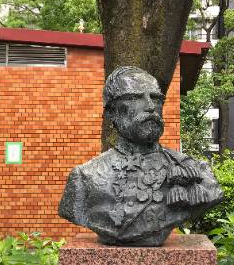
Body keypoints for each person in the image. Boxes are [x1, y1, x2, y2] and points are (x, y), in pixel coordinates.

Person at [58, 66, 222, 246]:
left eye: (156, 98)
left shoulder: (196, 173)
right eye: (134, 98)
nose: (151, 107)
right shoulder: (84, 178)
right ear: (111, 112)